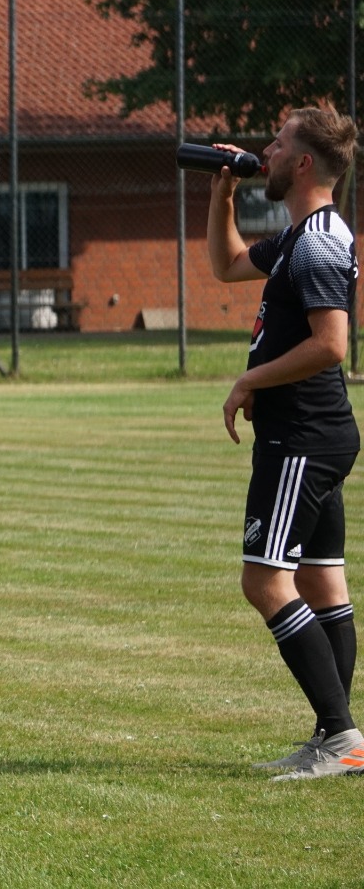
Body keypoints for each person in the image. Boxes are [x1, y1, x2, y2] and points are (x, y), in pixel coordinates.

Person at [207, 108, 364, 780]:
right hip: (314, 433)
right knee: (321, 581)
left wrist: (250, 379)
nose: (264, 151)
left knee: (264, 580)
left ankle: (342, 736)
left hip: (303, 435)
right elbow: (227, 265)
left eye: (277, 144)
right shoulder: (299, 235)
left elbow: (332, 345)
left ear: (302, 163)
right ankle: (336, 738)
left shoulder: (320, 241)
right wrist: (223, 194)